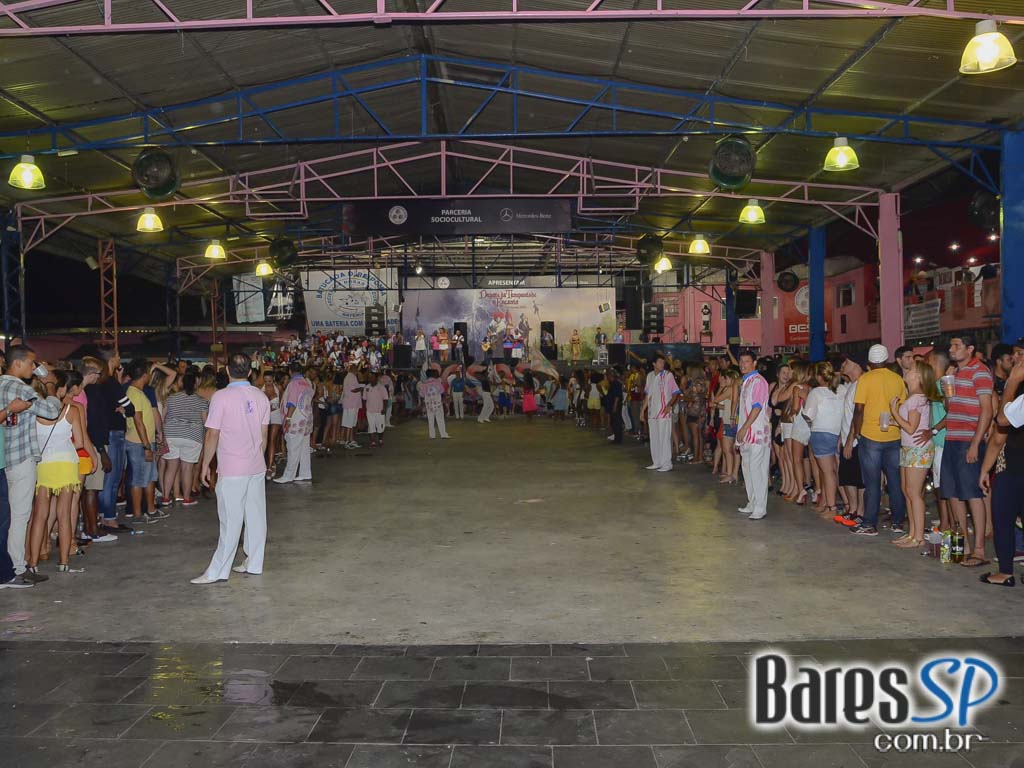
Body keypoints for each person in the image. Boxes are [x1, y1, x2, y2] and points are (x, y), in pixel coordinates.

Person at [191, 354, 270, 585]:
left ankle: (217, 571)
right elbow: (264, 435)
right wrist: (257, 458)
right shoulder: (261, 396)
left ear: (227, 370)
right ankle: (254, 562)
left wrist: (205, 464)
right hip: (256, 465)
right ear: (250, 372)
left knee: (230, 520)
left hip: (233, 467)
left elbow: (212, 434)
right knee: (256, 517)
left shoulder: (221, 397)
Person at [0, 347, 61, 582]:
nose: (34, 368)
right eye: (31, 363)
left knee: (8, 516)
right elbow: (51, 411)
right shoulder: (20, 389)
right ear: (17, 363)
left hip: (5, 457)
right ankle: (16, 567)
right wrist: (50, 385)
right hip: (21, 456)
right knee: (19, 516)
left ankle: (11, 566)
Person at [942, 335, 993, 567]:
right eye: (951, 346)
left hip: (968, 439)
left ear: (970, 348)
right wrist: (947, 388)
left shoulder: (979, 371)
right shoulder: (956, 373)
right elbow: (949, 407)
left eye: (957, 346)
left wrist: (975, 443)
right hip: (952, 437)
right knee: (953, 493)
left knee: (972, 493)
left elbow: (986, 410)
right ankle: (962, 546)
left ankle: (979, 550)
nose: (952, 349)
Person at [850, 344, 907, 537]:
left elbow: (859, 409)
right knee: (895, 482)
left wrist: (857, 432)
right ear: (886, 360)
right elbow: (903, 406)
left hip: (871, 436)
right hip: (894, 435)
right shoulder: (897, 379)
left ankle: (869, 524)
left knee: (872, 483)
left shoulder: (865, 379)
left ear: (869, 361)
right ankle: (898, 522)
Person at [981, 354, 1024, 586]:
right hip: (1014, 466)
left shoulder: (1018, 392)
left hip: (1016, 468)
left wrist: (1012, 383)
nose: (1016, 359)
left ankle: (1005, 572)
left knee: (1003, 517)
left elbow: (1003, 420)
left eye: (1021, 355)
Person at [889, 360, 935, 550]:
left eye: (911, 369)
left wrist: (894, 412)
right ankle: (912, 533)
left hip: (917, 449)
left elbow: (910, 428)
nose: (907, 371)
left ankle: (919, 537)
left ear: (919, 376)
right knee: (907, 490)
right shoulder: (913, 397)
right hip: (909, 448)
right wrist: (895, 420)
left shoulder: (916, 399)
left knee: (914, 493)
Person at [124, 360, 166, 524]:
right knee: (138, 478)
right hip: (138, 443)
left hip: (146, 441)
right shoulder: (134, 394)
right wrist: (146, 446)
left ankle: (150, 509)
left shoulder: (139, 393)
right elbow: (138, 421)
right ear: (144, 375)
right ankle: (137, 514)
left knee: (149, 477)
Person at [803, 361, 844, 519]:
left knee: (827, 473)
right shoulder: (842, 389)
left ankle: (831, 507)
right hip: (839, 433)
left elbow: (808, 415)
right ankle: (827, 502)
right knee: (834, 471)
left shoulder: (816, 393)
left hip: (821, 433)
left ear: (819, 377)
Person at [162, 372, 209, 506]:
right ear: (195, 385)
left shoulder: (171, 398)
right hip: (192, 436)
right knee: (187, 469)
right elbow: (205, 421)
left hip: (171, 435)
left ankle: (166, 498)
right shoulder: (202, 401)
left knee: (171, 467)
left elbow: (163, 417)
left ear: (182, 383)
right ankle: (187, 498)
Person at [736, 349, 771, 520]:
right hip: (746, 433)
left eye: (747, 361)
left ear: (754, 363)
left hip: (756, 432)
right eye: (741, 361)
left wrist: (744, 427)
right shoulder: (746, 381)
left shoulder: (758, 381)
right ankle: (752, 501)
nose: (743, 365)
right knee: (747, 467)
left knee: (757, 469)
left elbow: (757, 408)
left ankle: (760, 506)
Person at [836, 354, 866, 527]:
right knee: (847, 476)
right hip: (847, 437)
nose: (843, 364)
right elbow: (847, 415)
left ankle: (860, 512)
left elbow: (858, 415)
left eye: (847, 362)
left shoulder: (861, 384)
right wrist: (842, 437)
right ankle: (853, 509)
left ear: (856, 365)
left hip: (856, 440)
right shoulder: (851, 385)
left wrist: (850, 439)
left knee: (859, 478)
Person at [275, 361, 314, 483]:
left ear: (290, 371)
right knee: (304, 448)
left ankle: (288, 475)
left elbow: (292, 402)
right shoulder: (307, 383)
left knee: (293, 447)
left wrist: (288, 418)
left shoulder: (293, 384)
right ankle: (305, 473)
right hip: (306, 419)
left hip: (296, 420)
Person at [641, 355, 680, 472]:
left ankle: (667, 463)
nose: (662, 364)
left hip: (663, 413)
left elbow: (676, 392)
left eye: (663, 362)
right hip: (652, 413)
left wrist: (669, 405)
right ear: (654, 364)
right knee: (654, 438)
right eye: (660, 362)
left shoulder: (668, 375)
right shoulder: (649, 376)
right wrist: (642, 410)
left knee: (664, 438)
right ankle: (657, 462)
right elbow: (647, 395)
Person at [418, 359, 450, 439]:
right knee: (440, 419)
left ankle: (432, 435)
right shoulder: (437, 383)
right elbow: (442, 391)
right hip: (437, 404)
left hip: (429, 405)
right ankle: (443, 434)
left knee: (430, 419)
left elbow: (421, 394)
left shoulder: (424, 384)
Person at [363, 372, 388, 448]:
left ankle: (380, 440)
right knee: (371, 427)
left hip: (379, 411)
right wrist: (365, 409)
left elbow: (385, 399)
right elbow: (364, 399)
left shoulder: (381, 387)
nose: (370, 378)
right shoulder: (366, 387)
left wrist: (384, 408)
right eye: (370, 377)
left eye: (372, 377)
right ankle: (373, 442)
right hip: (370, 411)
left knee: (380, 428)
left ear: (376, 378)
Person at [605, 369, 624, 444]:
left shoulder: (616, 383)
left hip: (615, 405)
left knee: (616, 422)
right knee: (614, 422)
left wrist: (615, 406)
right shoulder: (613, 383)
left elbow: (617, 396)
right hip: (612, 405)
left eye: (607, 375)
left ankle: (618, 439)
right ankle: (616, 437)